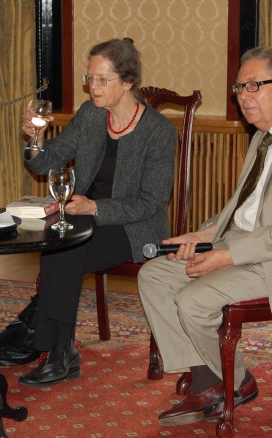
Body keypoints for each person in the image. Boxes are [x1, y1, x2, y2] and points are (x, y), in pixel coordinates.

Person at [137, 46, 272, 427]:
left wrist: (227, 254)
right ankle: (222, 379)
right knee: (154, 275)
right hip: (247, 246)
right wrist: (204, 235)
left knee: (193, 299)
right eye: (239, 87)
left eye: (254, 85)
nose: (243, 97)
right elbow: (244, 206)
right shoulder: (264, 136)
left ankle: (222, 383)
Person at [14, 37, 176, 386]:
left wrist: (95, 207)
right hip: (84, 217)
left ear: (128, 81)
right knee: (60, 244)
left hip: (134, 227)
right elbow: (45, 162)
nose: (93, 88)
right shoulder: (90, 115)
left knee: (65, 248)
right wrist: (35, 138)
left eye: (102, 80)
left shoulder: (158, 132)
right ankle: (59, 351)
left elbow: (152, 200)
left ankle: (57, 352)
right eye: (90, 78)